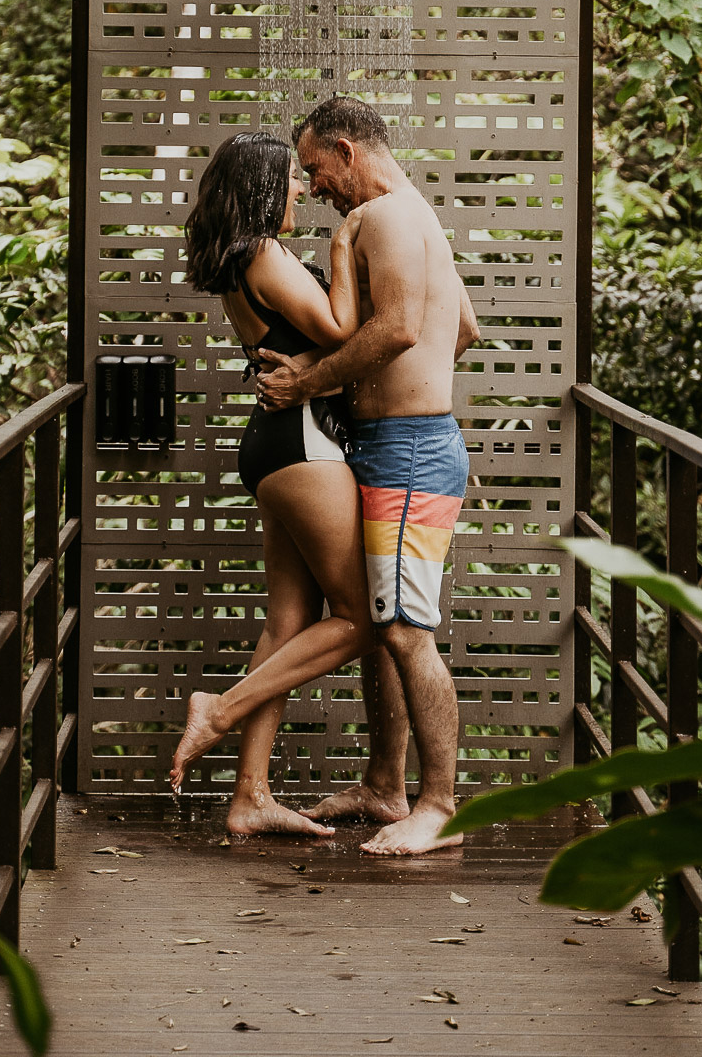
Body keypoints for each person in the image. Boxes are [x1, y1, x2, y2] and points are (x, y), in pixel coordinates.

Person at [256, 96, 480, 857]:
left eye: (317, 169)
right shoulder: (418, 218)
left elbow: (401, 328)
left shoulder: (385, 217)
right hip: (400, 442)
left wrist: (314, 383)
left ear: (348, 151)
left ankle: (440, 806)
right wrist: (404, 387)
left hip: (411, 451)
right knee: (384, 625)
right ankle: (386, 785)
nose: (315, 187)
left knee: (407, 633)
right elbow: (465, 328)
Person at [173, 131, 374, 835]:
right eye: (289, 179)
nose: (300, 190)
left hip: (277, 447)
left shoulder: (242, 260)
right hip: (304, 446)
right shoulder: (264, 254)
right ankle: (220, 709)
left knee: (286, 623)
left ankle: (250, 796)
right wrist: (346, 248)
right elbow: (342, 328)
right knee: (363, 618)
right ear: (260, 187)